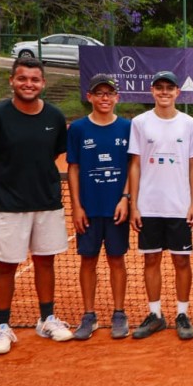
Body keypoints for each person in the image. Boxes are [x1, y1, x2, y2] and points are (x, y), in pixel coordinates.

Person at [0, 57, 73, 355]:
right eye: (23, 78)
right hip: (6, 205)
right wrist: (4, 180)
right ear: (12, 81)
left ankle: (46, 319)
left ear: (43, 83)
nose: (29, 84)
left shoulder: (55, 117)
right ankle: (2, 326)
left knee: (45, 262)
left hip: (46, 202)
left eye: (34, 79)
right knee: (6, 266)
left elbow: (52, 153)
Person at [128, 70, 193, 340]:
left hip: (179, 205)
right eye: (159, 87)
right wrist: (134, 205)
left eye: (170, 88)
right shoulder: (139, 122)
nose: (164, 92)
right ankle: (155, 315)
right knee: (151, 259)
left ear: (177, 92)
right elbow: (135, 165)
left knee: (182, 260)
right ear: (152, 90)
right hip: (149, 205)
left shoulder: (190, 124)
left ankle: (182, 314)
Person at [66, 74, 132, 340]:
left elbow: (133, 166)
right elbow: (73, 168)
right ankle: (89, 315)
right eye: (99, 93)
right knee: (88, 260)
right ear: (90, 97)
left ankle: (119, 313)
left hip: (117, 209)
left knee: (117, 259)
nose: (105, 98)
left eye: (109, 93)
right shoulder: (78, 128)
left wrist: (125, 198)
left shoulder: (127, 127)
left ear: (117, 97)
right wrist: (76, 206)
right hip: (89, 209)